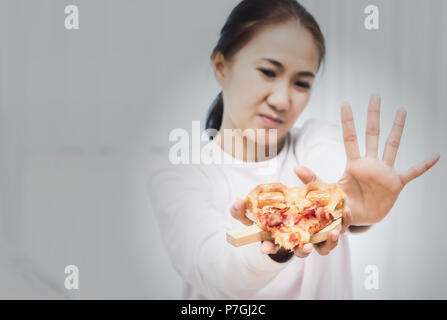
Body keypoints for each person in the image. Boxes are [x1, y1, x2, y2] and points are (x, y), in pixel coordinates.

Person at [148, 0, 439, 299]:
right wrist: (277, 243)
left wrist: (352, 208)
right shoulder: (178, 174)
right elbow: (215, 269)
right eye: (268, 72)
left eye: (301, 83)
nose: (282, 100)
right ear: (222, 67)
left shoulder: (314, 140)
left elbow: (332, 174)